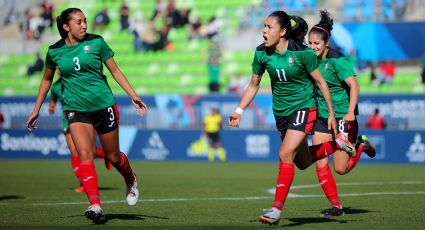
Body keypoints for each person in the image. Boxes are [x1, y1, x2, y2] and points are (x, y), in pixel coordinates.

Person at [228, 11, 356, 226]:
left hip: (304, 108)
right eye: (264, 26)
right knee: (303, 162)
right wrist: (239, 111)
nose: (264, 30)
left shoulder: (302, 53)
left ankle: (276, 211)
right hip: (281, 113)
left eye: (269, 27)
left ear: (283, 31)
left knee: (285, 153)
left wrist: (332, 115)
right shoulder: (261, 54)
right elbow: (254, 85)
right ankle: (337, 144)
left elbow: (321, 83)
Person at [26, 8, 148, 224]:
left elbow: (115, 71)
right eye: (79, 22)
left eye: (85, 21)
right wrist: (37, 109)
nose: (84, 25)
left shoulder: (97, 42)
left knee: (113, 157)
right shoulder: (54, 51)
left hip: (103, 106)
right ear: (66, 27)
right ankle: (95, 205)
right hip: (75, 109)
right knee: (84, 154)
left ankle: (130, 178)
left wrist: (133, 95)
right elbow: (46, 80)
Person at [308, 10, 376, 218]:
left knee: (340, 169)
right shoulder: (310, 59)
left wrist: (349, 113)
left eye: (316, 44)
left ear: (327, 43)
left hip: (343, 117)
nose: (312, 47)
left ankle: (361, 145)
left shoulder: (338, 60)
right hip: (322, 116)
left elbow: (354, 86)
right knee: (319, 162)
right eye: (309, 43)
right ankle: (336, 206)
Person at [48, 71, 113, 193]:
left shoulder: (77, 80)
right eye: (57, 68)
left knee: (90, 152)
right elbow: (53, 102)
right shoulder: (55, 87)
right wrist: (51, 107)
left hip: (85, 119)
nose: (59, 70)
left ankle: (105, 154)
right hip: (67, 121)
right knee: (74, 151)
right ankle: (83, 181)